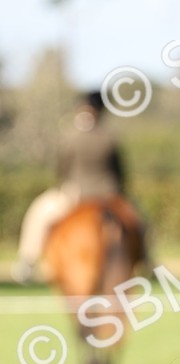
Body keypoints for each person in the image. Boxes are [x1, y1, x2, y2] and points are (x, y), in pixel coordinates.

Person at [14, 90, 146, 283]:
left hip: (76, 193)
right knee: (139, 221)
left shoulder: (69, 135)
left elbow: (61, 169)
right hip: (110, 193)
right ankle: (148, 261)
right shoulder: (110, 136)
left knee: (38, 213)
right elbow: (119, 171)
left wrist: (62, 184)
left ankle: (27, 261)